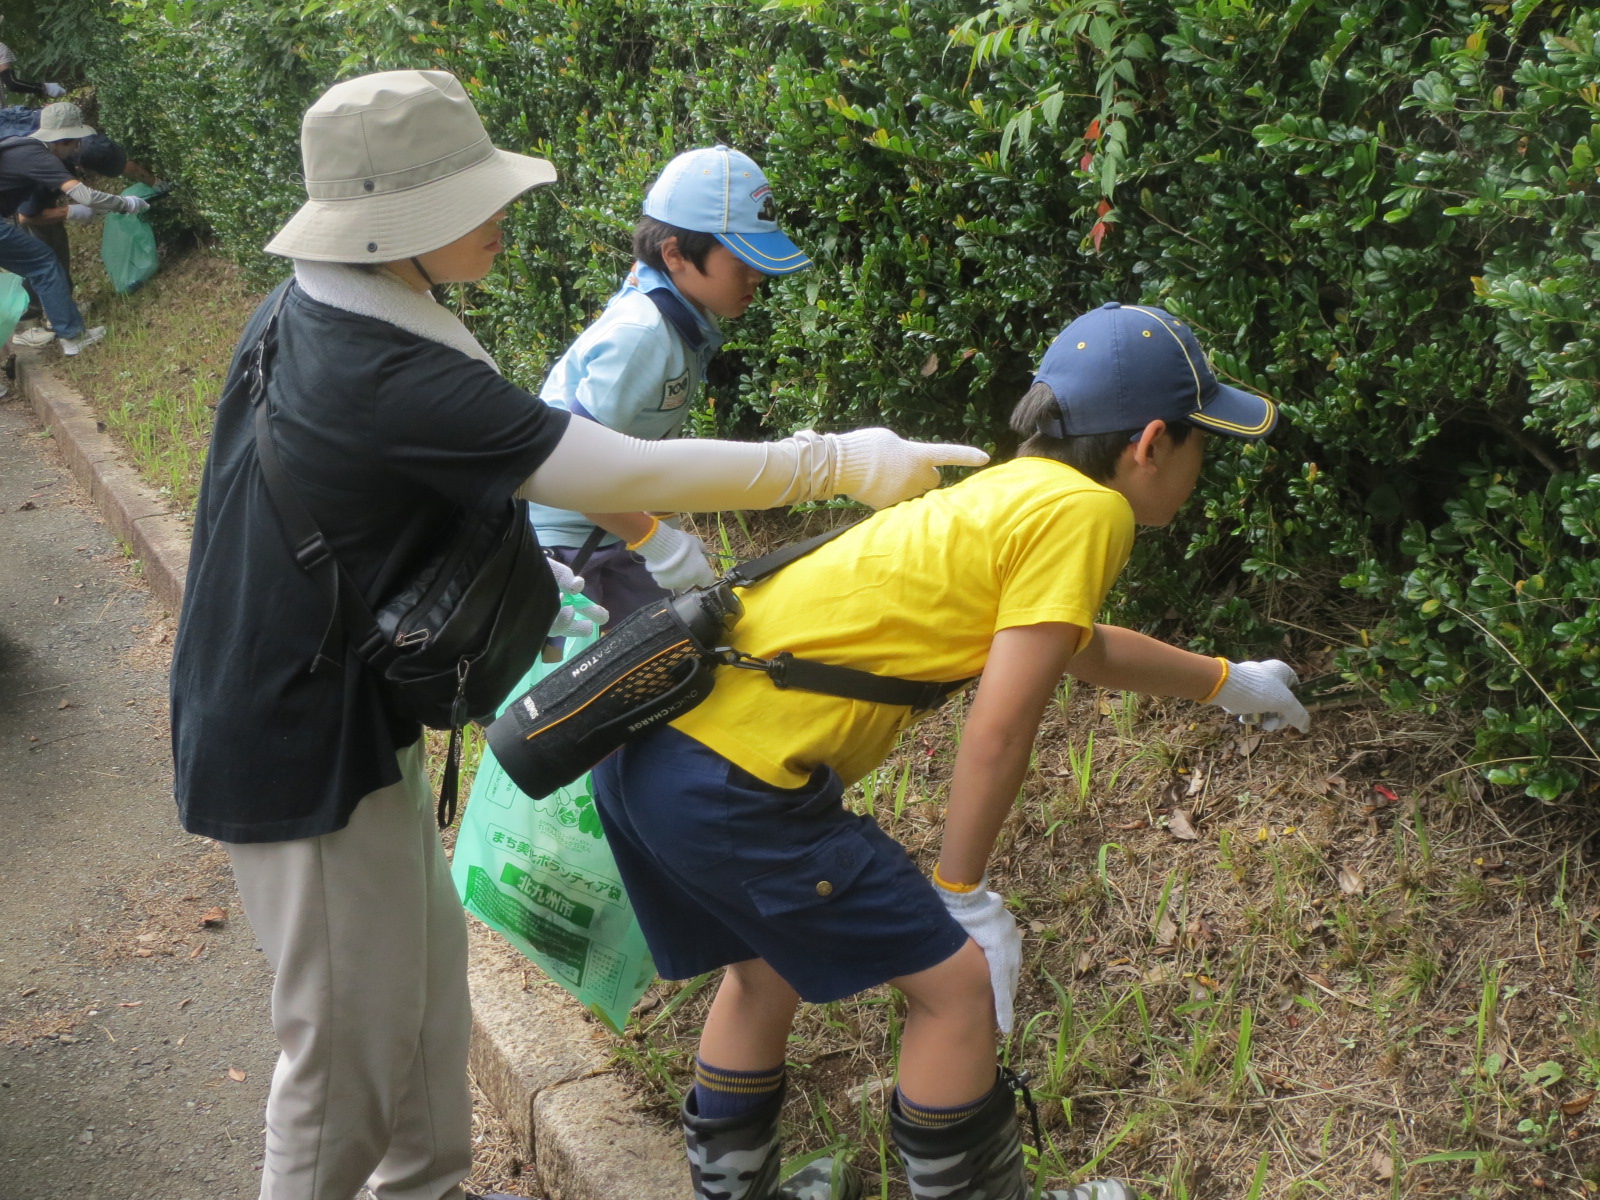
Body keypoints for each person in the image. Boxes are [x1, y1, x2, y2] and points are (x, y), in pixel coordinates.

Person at [167, 69, 986, 1200]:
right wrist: (834, 461)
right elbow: (616, 466)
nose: (506, 213)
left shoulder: (333, 307)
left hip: (349, 707)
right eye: (478, 195)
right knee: (344, 1056)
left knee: (423, 999)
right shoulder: (383, 368)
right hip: (294, 744)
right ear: (400, 226)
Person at [590, 301, 1312, 1200]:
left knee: (762, 970)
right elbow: (1002, 724)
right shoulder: (1087, 512)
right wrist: (963, 892)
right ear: (1152, 442)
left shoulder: (1000, 494)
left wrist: (1224, 680)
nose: (1200, 469)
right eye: (1203, 443)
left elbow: (1077, 647)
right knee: (957, 989)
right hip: (731, 785)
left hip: (650, 751)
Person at [526, 144, 811, 625]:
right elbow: (566, 467)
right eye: (742, 261)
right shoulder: (643, 337)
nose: (757, 276)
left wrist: (665, 526)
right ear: (675, 254)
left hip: (613, 529)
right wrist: (657, 541)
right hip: (567, 550)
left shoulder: (678, 320)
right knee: (583, 683)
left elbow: (634, 448)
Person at [0, 102, 147, 355]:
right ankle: (72, 336)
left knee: (40, 264)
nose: (76, 149)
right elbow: (85, 196)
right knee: (44, 264)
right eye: (75, 143)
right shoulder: (39, 157)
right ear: (62, 141)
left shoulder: (20, 145)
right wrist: (126, 204)